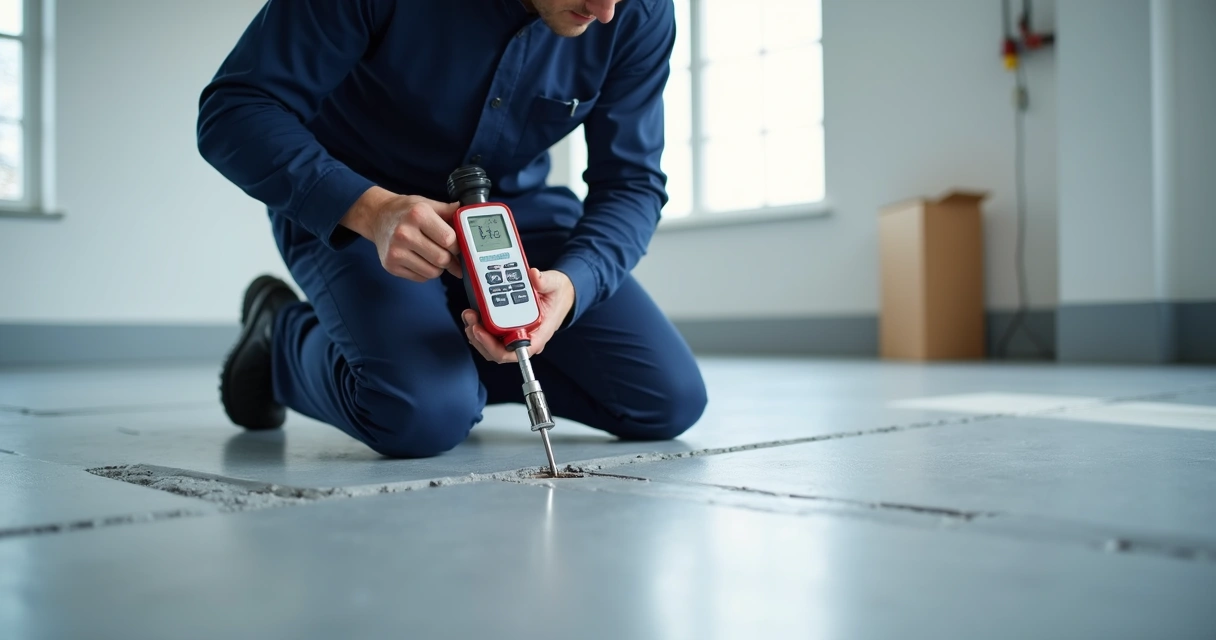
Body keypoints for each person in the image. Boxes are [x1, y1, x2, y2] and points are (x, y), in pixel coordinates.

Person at [196, 0, 707, 458]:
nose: (606, 13)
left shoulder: (638, 12)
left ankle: (439, 369)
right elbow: (235, 110)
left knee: (667, 401)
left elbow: (632, 181)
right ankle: (279, 338)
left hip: (515, 216)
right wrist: (371, 210)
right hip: (358, 215)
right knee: (419, 418)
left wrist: (574, 287)